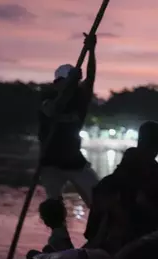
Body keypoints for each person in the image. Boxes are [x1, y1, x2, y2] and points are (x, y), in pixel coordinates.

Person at [38, 33, 99, 206]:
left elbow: (91, 77)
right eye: (61, 81)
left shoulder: (81, 96)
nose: (61, 84)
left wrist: (91, 50)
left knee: (100, 199)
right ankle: (59, 233)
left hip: (74, 160)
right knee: (54, 207)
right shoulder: (48, 95)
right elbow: (53, 109)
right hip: (50, 162)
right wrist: (70, 83)